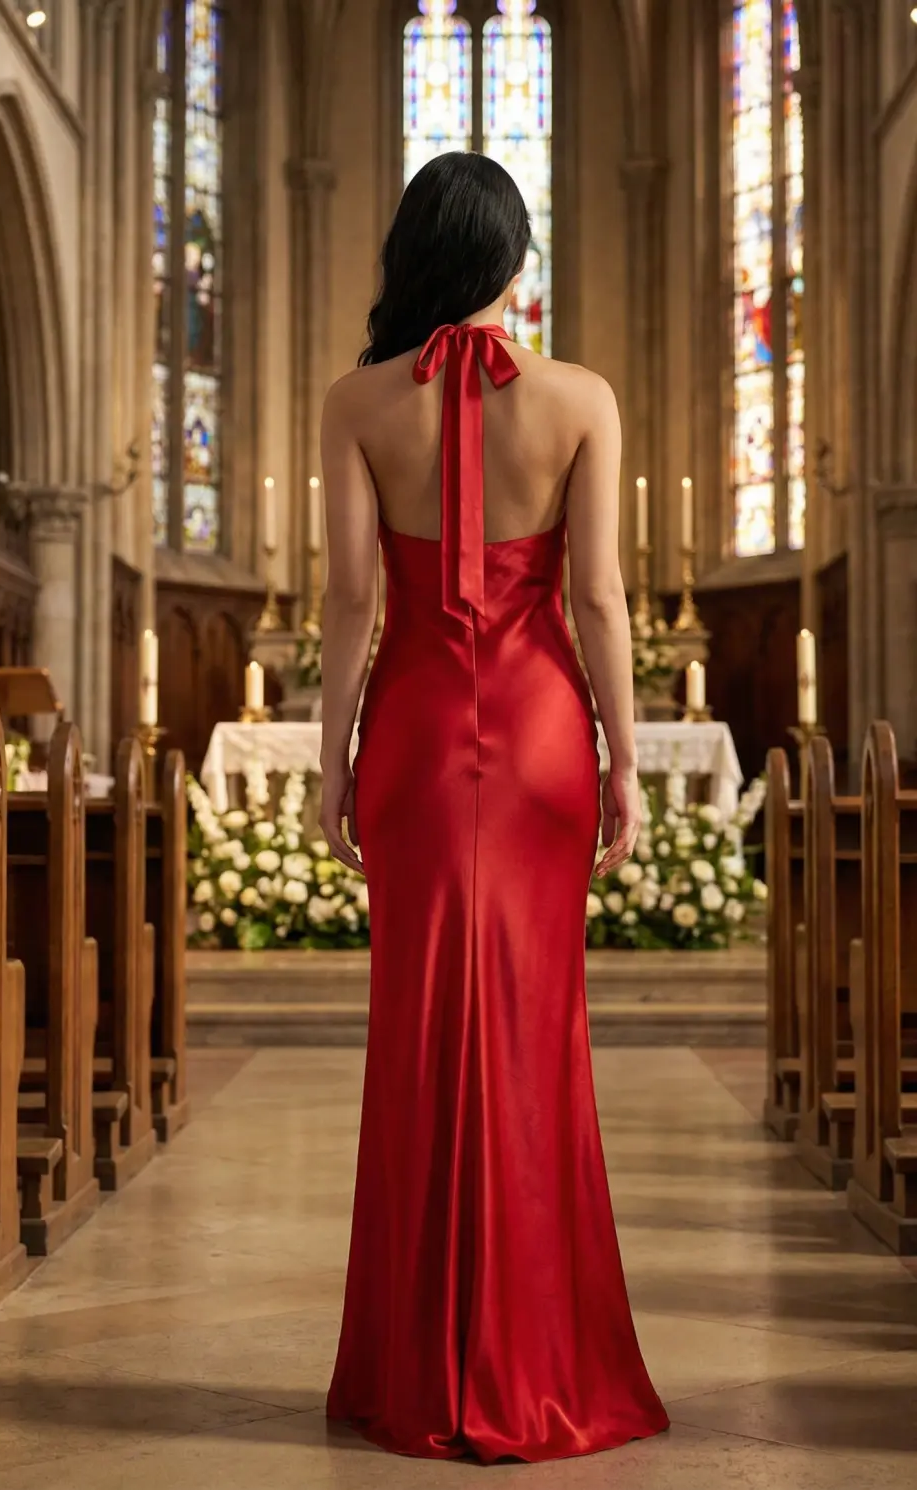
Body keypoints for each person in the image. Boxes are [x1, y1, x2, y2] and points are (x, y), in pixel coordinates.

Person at [316, 151, 669, 1464]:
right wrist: (625, 756)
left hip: (411, 729)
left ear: (414, 258)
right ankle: (542, 1359)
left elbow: (354, 602)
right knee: (535, 1034)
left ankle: (416, 1363)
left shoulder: (356, 401)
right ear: (514, 259)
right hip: (537, 736)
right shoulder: (582, 399)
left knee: (416, 1033)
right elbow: (600, 599)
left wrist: (325, 757)